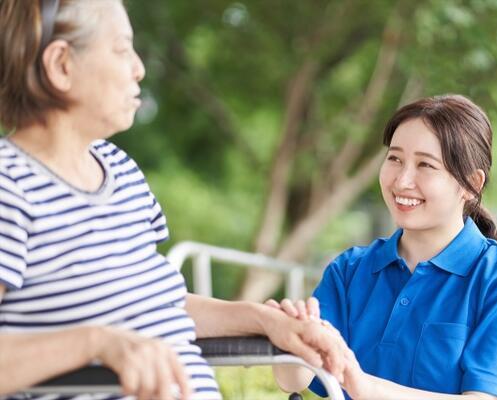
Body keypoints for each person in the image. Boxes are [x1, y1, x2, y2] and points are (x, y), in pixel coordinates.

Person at [0, 1, 349, 399]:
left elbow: (159, 308)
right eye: (121, 49)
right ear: (62, 64)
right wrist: (97, 344)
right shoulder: (8, 184)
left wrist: (263, 319)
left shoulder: (120, 171)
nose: (138, 68)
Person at [269, 94, 497, 399]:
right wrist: (286, 333)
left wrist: (366, 388)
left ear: (471, 184)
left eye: (425, 165)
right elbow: (295, 377)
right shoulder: (349, 271)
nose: (402, 180)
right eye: (394, 158)